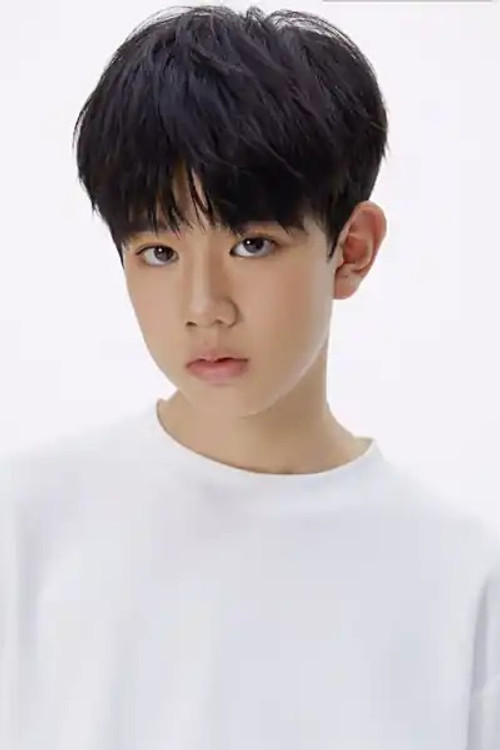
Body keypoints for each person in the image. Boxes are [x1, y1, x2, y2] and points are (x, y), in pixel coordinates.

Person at [1, 5, 499, 749]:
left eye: (252, 245)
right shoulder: (23, 526)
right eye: (159, 252)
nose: (204, 306)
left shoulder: (463, 580)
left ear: (351, 250)